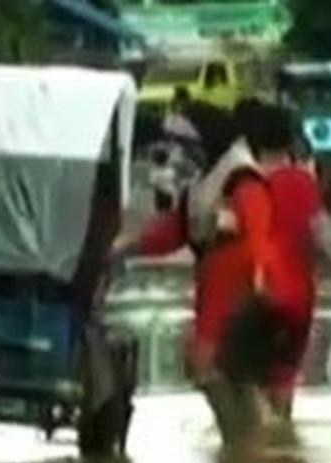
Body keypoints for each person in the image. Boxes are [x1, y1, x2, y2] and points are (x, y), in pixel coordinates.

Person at [111, 103, 277, 444]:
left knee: (211, 367)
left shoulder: (241, 179)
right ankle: (244, 443)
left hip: (237, 289)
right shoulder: (207, 183)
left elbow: (258, 231)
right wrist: (128, 244)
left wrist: (259, 284)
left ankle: (247, 444)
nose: (183, 154)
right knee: (223, 372)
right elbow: (174, 230)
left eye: (189, 146)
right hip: (215, 285)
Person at [244, 103, 331, 419]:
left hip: (255, 294)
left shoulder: (245, 184)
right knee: (284, 379)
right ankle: (284, 441)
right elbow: (326, 239)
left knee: (251, 382)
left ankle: (259, 452)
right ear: (290, 142)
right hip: (298, 297)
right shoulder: (302, 182)